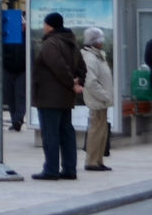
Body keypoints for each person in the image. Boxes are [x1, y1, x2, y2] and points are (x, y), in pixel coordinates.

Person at [31, 12, 86, 180]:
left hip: (49, 98)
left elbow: (58, 67)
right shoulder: (72, 43)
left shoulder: (50, 44)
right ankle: (70, 169)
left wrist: (71, 83)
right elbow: (82, 68)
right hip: (65, 98)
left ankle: (51, 169)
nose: (43, 27)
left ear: (50, 26)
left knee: (50, 134)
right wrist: (78, 83)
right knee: (66, 133)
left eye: (45, 24)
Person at [81, 27, 114, 172]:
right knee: (95, 132)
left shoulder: (98, 56)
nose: (102, 42)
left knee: (101, 132)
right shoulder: (90, 58)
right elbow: (91, 82)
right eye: (100, 39)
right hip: (97, 101)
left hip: (102, 101)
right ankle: (92, 161)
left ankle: (98, 160)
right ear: (94, 41)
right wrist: (104, 96)